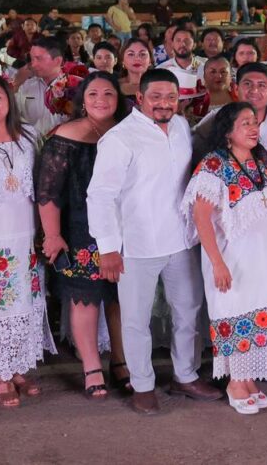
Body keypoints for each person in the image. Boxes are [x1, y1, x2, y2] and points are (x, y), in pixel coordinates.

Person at [87, 69, 222, 414]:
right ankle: (143, 384)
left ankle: (185, 375)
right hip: (136, 245)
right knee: (136, 319)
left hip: (181, 240)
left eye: (171, 97)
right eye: (156, 97)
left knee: (188, 311)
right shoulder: (120, 139)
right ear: (140, 98)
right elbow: (100, 195)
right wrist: (108, 248)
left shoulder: (180, 127)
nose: (164, 103)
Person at [184, 102, 267, 415]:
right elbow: (201, 217)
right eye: (245, 124)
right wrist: (217, 263)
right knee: (237, 311)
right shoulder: (214, 165)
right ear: (227, 132)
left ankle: (249, 378)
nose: (254, 128)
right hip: (234, 256)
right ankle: (236, 382)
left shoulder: (265, 161)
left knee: (261, 312)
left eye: (255, 122)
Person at [37, 72, 130, 400]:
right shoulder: (66, 135)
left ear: (119, 98)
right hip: (79, 230)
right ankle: (92, 366)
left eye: (108, 93)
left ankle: (121, 361)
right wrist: (52, 234)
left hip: (125, 230)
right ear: (82, 100)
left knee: (120, 298)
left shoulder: (129, 131)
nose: (101, 100)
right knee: (85, 298)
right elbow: (48, 192)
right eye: (93, 94)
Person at [0, 74, 55, 408]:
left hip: (24, 238)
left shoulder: (29, 136)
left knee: (24, 302)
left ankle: (18, 365)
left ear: (9, 101)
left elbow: (44, 185)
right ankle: (0, 375)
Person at [194, 63, 267, 161]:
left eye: (261, 85)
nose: (254, 90)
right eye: (247, 84)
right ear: (236, 89)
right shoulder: (216, 118)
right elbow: (193, 154)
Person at [15, 36, 82, 136]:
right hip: (32, 142)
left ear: (57, 60)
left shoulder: (76, 86)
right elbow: (12, 117)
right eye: (32, 59)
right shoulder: (25, 86)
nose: (33, 64)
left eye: (38, 59)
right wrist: (16, 85)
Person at [118, 38, 153, 103]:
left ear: (150, 61)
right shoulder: (113, 86)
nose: (137, 58)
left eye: (142, 54)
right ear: (122, 61)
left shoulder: (159, 85)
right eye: (131, 54)